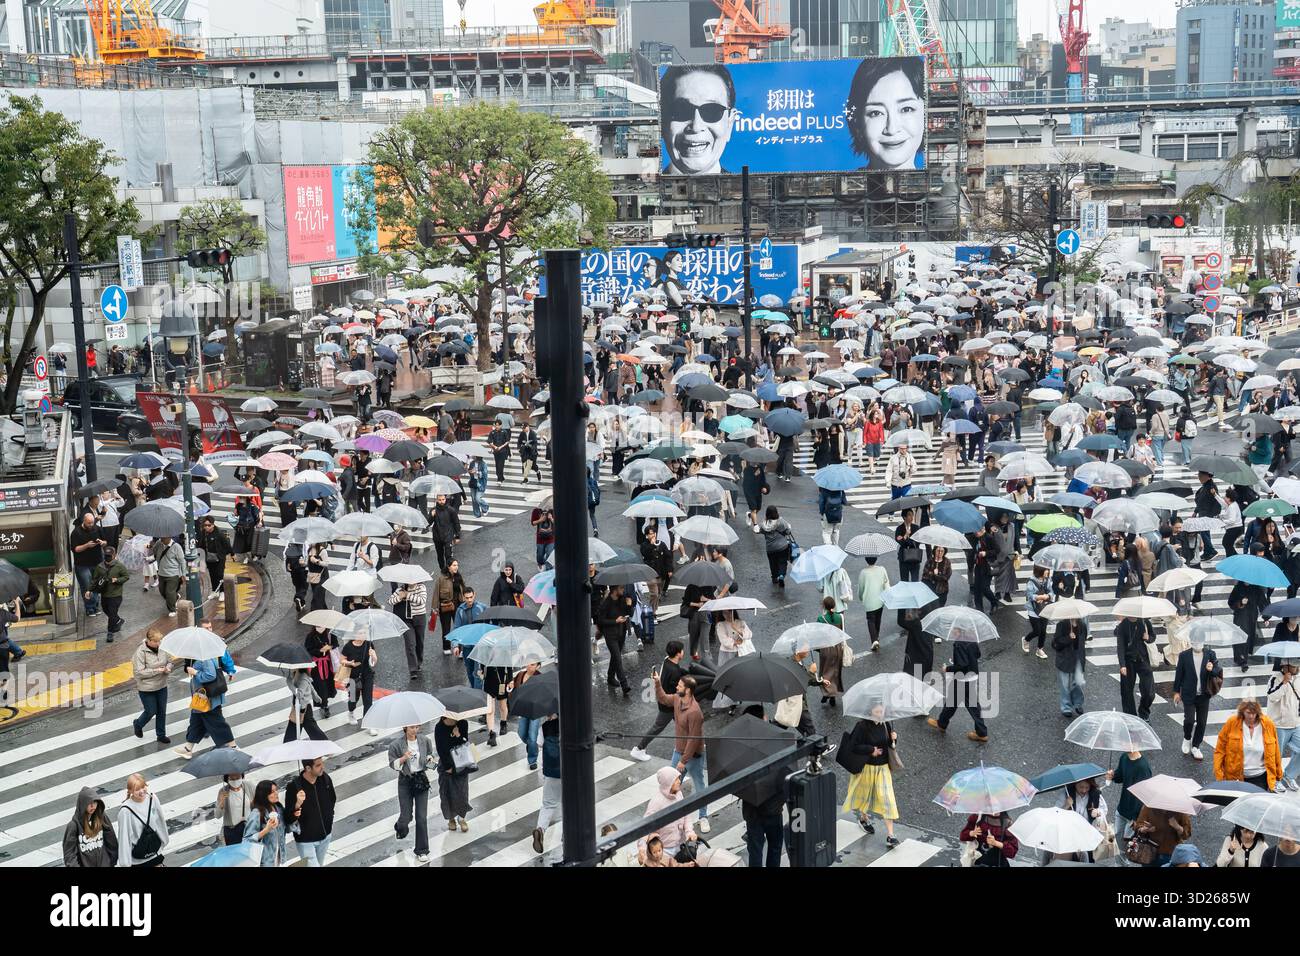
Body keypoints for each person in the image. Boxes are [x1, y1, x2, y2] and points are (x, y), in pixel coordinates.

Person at [844, 55, 926, 171]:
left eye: (906, 109)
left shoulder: (941, 184)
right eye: (876, 113)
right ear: (857, 122)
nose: (892, 129)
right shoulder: (851, 187)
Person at [653, 671, 710, 833]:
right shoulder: (678, 699)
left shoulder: (695, 712)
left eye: (679, 685)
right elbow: (663, 699)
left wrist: (683, 761)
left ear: (688, 690)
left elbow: (694, 739)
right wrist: (657, 682)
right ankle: (668, 814)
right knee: (670, 784)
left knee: (699, 785)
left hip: (693, 755)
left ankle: (703, 817)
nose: (676, 686)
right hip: (679, 751)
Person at [659, 64, 737, 176]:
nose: (696, 126)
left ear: (730, 124)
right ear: (662, 122)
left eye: (711, 111)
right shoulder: (644, 188)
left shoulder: (747, 191)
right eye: (681, 111)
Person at [842, 703, 901, 846]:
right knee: (865, 797)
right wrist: (870, 750)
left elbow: (890, 746)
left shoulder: (885, 724)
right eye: (877, 711)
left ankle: (890, 835)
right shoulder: (862, 726)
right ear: (870, 711)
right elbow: (853, 746)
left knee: (888, 800)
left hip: (883, 768)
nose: (881, 713)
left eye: (882, 711)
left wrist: (894, 739)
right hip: (866, 767)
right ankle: (863, 818)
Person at [173, 647, 238, 759]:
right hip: (201, 697)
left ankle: (232, 746)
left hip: (206, 697)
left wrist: (195, 672)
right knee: (196, 721)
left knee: (217, 722)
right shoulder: (202, 654)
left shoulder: (204, 656)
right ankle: (188, 748)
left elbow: (210, 675)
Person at [630, 640, 687, 761]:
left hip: (665, 701)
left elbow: (675, 671)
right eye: (682, 650)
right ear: (678, 654)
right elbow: (676, 690)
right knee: (658, 727)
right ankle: (639, 749)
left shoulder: (667, 660)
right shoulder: (675, 672)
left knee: (683, 724)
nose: (684, 652)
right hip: (669, 704)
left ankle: (691, 745)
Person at [927, 631, 988, 742]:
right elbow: (978, 654)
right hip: (972, 676)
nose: (951, 631)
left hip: (962, 679)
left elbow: (962, 665)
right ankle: (942, 723)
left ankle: (981, 733)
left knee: (964, 704)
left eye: (953, 629)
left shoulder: (959, 643)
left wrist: (947, 669)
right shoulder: (971, 638)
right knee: (955, 702)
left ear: (959, 630)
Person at [1214, 698, 1284, 793]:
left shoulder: (1268, 724)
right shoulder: (1232, 723)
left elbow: (1276, 751)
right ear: (1242, 712)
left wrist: (1278, 774)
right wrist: (1219, 775)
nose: (1251, 716)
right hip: (1236, 777)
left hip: (1260, 777)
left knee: (1257, 806)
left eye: (1254, 713)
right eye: (1248, 713)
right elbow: (1220, 750)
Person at [389, 724, 436, 864]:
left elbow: (430, 760)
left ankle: (422, 850)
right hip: (405, 781)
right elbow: (393, 764)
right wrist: (403, 758)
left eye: (417, 727)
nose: (415, 730)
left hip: (421, 779)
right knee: (406, 816)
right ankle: (400, 827)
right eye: (411, 728)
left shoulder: (425, 741)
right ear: (405, 728)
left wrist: (430, 760)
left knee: (421, 817)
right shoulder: (396, 745)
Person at [1173, 636, 1223, 762]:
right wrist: (1176, 692)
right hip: (1189, 693)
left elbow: (1218, 670)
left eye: (1199, 640)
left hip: (1204, 694)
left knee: (1202, 722)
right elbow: (1179, 673)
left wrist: (1212, 669)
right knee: (1189, 720)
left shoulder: (1210, 654)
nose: (1197, 643)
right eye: (1195, 640)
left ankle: (1196, 746)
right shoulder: (1184, 655)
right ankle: (1187, 738)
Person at [636, 768, 698, 863]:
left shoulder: (679, 795)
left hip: (680, 845)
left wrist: (689, 832)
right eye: (676, 779)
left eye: (679, 778)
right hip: (664, 851)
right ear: (668, 782)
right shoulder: (656, 803)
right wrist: (642, 848)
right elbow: (645, 827)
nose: (679, 781)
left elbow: (686, 814)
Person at [284, 757, 337, 866]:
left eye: (322, 763)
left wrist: (329, 817)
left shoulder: (325, 779)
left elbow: (332, 799)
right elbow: (288, 818)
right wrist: (297, 804)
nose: (322, 767)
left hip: (325, 835)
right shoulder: (294, 787)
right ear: (308, 768)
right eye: (318, 765)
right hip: (306, 839)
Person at [116, 773, 168, 867]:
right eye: (137, 789)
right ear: (130, 791)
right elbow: (124, 837)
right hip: (138, 859)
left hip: (154, 852)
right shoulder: (125, 811)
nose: (141, 791)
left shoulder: (152, 799)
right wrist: (125, 863)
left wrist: (163, 842)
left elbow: (160, 823)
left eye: (143, 786)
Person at [130, 628, 173, 743]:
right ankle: (138, 724)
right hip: (146, 687)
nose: (159, 644)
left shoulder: (162, 648)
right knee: (151, 711)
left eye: (160, 641)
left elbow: (170, 660)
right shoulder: (140, 653)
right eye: (156, 642)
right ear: (149, 640)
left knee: (161, 711)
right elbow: (139, 672)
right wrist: (158, 670)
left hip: (162, 685)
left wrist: (168, 667)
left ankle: (161, 735)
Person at [1107, 748, 1152, 856]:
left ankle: (1121, 864)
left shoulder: (1142, 767)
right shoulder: (1124, 757)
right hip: (1122, 808)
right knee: (1118, 840)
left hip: (1133, 816)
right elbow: (1120, 776)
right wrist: (1113, 775)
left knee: (1127, 845)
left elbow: (1144, 795)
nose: (1122, 744)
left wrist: (1138, 818)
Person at [434, 713, 473, 832]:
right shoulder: (439, 727)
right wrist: (447, 767)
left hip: (461, 763)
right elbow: (440, 749)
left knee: (462, 792)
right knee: (446, 793)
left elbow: (465, 743)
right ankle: (451, 818)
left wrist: (458, 735)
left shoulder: (463, 723)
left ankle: (462, 818)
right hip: (446, 764)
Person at [1265, 663, 1300, 791]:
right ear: (1286, 666)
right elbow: (1271, 696)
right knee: (1276, 756)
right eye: (1296, 665)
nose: (1298, 667)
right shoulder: (1275, 678)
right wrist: (1285, 683)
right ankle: (1275, 780)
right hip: (1278, 725)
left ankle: (1289, 775)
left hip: (1296, 723)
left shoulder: (1298, 678)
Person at [532, 713, 562, 860]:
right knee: (571, 804)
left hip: (551, 772)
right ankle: (567, 834)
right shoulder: (571, 724)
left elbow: (539, 744)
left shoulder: (544, 727)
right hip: (570, 772)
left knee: (548, 804)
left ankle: (540, 829)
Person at [63, 787, 118, 867]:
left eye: (95, 802)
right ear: (83, 804)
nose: (93, 806)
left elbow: (111, 841)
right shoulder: (73, 826)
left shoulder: (101, 817)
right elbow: (70, 855)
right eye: (89, 803)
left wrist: (111, 861)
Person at [1116, 613, 1156, 721]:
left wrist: (1148, 638)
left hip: (1143, 660)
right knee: (1127, 691)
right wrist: (1122, 665)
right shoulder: (1123, 626)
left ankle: (1144, 712)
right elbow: (1120, 647)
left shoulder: (1144, 622)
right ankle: (1130, 716)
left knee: (1149, 692)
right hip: (1128, 661)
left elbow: (1153, 636)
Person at [388, 577, 429, 680]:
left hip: (420, 618)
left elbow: (422, 600)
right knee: (410, 644)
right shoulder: (400, 589)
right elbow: (390, 601)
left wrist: (408, 595)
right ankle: (413, 669)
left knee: (420, 642)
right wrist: (400, 597)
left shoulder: (421, 587)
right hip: (406, 620)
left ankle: (419, 662)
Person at [599, 584, 634, 695]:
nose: (623, 590)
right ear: (614, 590)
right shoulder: (606, 603)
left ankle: (610, 676)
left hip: (621, 632)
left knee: (616, 656)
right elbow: (601, 621)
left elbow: (630, 614)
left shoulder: (622, 599)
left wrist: (629, 605)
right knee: (618, 659)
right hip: (610, 635)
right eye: (621, 588)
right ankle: (624, 685)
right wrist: (615, 621)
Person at [70, 511, 105, 618]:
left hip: (97, 562)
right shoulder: (76, 532)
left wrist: (103, 543)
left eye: (92, 523)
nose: (91, 525)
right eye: (89, 523)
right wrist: (86, 546)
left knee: (97, 585)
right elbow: (75, 549)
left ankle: (95, 605)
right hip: (82, 565)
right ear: (84, 521)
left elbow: (105, 541)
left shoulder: (97, 528)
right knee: (87, 587)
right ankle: (90, 608)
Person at [243, 780, 287, 867]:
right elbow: (246, 840)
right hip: (265, 861)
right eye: (272, 792)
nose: (276, 793)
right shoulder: (257, 813)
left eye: (276, 790)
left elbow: (287, 828)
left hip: (279, 857)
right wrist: (266, 830)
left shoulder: (278, 808)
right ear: (264, 795)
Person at [341, 633, 379, 731]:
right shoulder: (348, 646)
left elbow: (373, 662)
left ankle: (368, 724)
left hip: (367, 675)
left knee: (368, 700)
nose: (363, 635)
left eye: (364, 633)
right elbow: (342, 660)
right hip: (353, 676)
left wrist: (373, 655)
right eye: (361, 633)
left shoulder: (369, 644)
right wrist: (350, 663)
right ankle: (351, 712)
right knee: (353, 699)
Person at [1051, 617, 1087, 718]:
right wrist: (1068, 638)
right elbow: (1055, 644)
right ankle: (1066, 707)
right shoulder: (1062, 625)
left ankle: (1078, 703)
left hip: (1078, 657)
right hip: (1065, 658)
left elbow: (1083, 639)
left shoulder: (1082, 625)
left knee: (1078, 682)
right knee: (1065, 684)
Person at [196, 516, 232, 605]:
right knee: (212, 575)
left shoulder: (219, 533)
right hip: (209, 558)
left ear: (213, 524)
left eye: (209, 525)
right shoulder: (203, 533)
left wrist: (232, 554)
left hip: (219, 558)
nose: (207, 527)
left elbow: (227, 544)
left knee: (219, 574)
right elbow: (201, 545)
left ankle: (222, 592)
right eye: (205, 525)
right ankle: (214, 591)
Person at [216, 773, 255, 846]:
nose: (235, 780)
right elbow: (217, 815)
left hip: (249, 829)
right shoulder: (223, 791)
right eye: (232, 779)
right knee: (236, 856)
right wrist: (221, 802)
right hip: (232, 832)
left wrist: (253, 803)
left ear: (242, 776)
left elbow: (259, 804)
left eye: (237, 777)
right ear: (227, 779)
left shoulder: (249, 786)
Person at [761, 506, 795, 587]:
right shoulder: (781, 521)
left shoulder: (764, 524)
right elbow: (788, 531)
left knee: (772, 563)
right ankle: (781, 576)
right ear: (776, 512)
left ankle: (774, 577)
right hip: (782, 547)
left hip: (770, 548)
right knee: (782, 562)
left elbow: (759, 530)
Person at [1023, 565, 1052, 658]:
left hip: (1044, 608)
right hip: (1033, 609)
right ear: (1040, 570)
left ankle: (1040, 649)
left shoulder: (1047, 580)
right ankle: (1026, 640)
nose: (1047, 571)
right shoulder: (1031, 581)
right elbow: (1029, 595)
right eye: (1046, 570)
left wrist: (1047, 596)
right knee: (1037, 631)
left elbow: (1052, 592)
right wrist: (1038, 597)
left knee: (1043, 631)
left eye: (1048, 569)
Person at [431, 495, 461, 572]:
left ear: (445, 499)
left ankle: (449, 570)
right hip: (437, 536)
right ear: (437, 500)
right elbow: (428, 522)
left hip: (448, 535)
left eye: (443, 499)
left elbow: (456, 523)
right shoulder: (433, 510)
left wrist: (457, 536)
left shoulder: (451, 510)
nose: (441, 501)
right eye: (440, 500)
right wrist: (431, 516)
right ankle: (443, 569)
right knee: (440, 555)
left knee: (448, 555)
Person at [531, 505, 556, 569]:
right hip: (540, 538)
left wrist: (551, 518)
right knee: (540, 555)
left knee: (549, 554)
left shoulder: (553, 511)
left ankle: (548, 570)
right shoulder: (536, 511)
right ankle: (541, 564)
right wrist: (540, 520)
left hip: (551, 538)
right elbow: (533, 523)